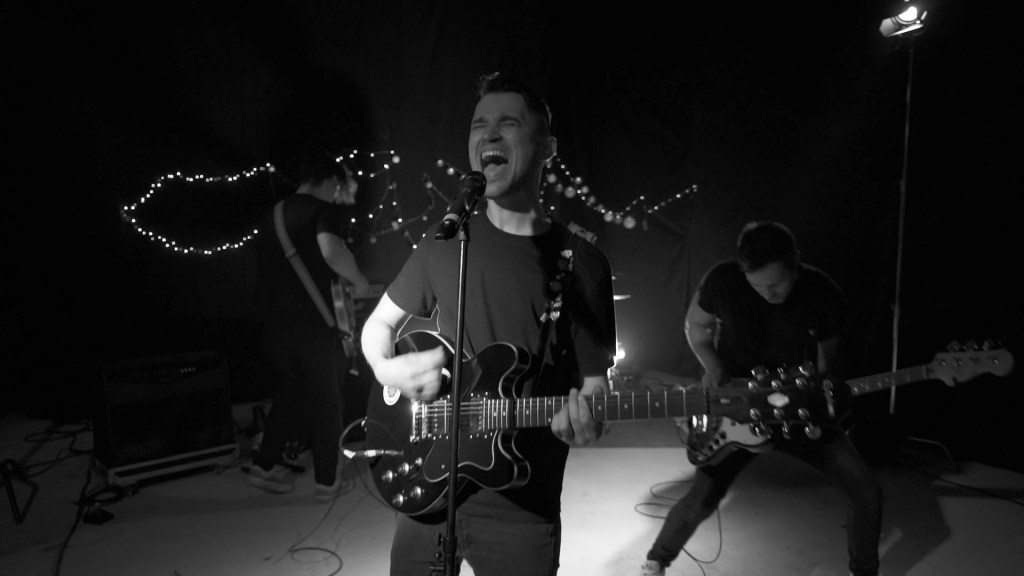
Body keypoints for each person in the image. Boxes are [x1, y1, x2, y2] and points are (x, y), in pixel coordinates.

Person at [359, 71, 617, 576]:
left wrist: (588, 422)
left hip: (523, 504)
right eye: (479, 124)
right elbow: (377, 327)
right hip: (428, 490)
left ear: (547, 148)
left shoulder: (582, 263)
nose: (489, 134)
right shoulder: (444, 240)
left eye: (508, 123)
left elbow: (595, 386)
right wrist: (388, 370)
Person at [640, 221, 883, 576]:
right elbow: (696, 325)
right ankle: (656, 561)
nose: (769, 293)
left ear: (795, 262)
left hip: (797, 409)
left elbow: (827, 357)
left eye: (777, 284)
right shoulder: (722, 279)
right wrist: (713, 365)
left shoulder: (821, 290)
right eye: (758, 286)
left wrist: (821, 391)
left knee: (867, 494)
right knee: (700, 500)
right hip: (737, 408)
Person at [247, 149, 372, 502]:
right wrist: (360, 281)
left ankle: (265, 465)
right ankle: (328, 480)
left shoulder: (272, 213)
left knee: (292, 390)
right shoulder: (322, 211)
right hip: (314, 323)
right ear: (329, 180)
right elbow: (332, 252)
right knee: (327, 398)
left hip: (274, 323)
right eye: (337, 186)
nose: (336, 193)